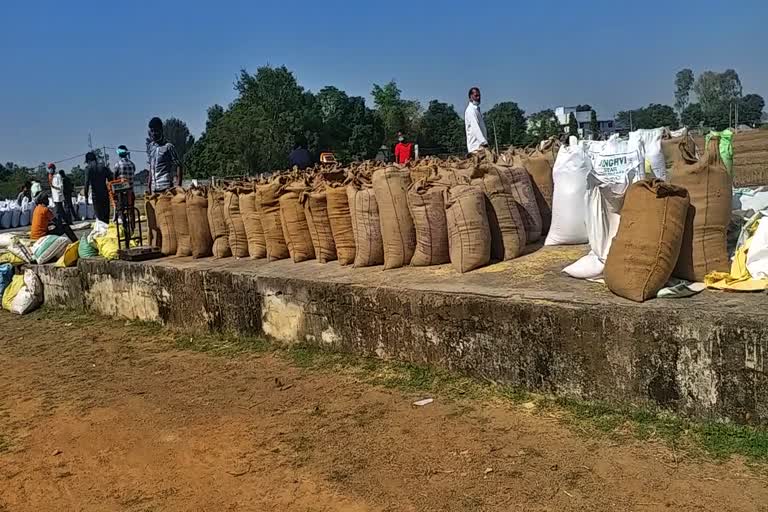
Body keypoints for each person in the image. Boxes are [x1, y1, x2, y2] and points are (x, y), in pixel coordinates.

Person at [147, 117, 182, 193]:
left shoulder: (168, 147)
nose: (153, 134)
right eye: (152, 131)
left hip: (166, 188)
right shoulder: (150, 147)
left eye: (156, 131)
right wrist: (149, 186)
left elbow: (178, 165)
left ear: (161, 130)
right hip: (154, 188)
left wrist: (178, 185)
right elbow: (151, 167)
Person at [84, 151, 113, 223]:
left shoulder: (88, 169)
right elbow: (111, 180)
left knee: (100, 217)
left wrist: (86, 197)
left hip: (96, 195)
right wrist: (112, 192)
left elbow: (86, 183)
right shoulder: (103, 167)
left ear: (88, 161)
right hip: (105, 193)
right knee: (106, 216)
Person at [113, 145, 136, 222]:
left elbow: (114, 177)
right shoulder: (132, 164)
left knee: (120, 206)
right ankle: (132, 223)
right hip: (131, 191)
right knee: (131, 208)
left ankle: (120, 217)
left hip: (121, 192)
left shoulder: (118, 164)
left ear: (119, 154)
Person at [464, 87, 488, 154]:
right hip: (476, 148)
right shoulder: (470, 110)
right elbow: (475, 127)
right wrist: (483, 142)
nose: (478, 98)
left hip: (480, 146)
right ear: (470, 97)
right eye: (476, 96)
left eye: (479, 95)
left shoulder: (476, 109)